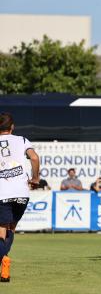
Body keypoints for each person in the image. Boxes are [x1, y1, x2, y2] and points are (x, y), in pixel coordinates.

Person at [0, 112, 40, 282]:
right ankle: (4, 266)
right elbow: (34, 157)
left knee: (1, 230)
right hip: (22, 193)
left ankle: (3, 259)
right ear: (12, 127)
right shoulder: (22, 140)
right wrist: (36, 178)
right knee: (11, 229)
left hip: (2, 192)